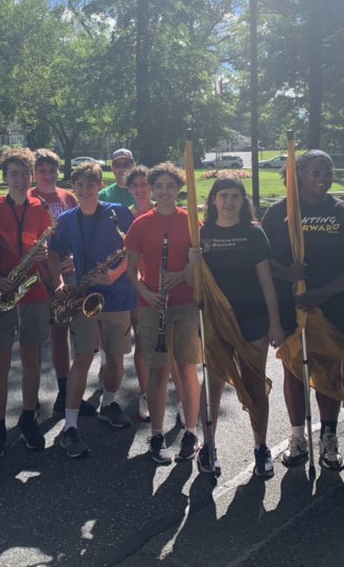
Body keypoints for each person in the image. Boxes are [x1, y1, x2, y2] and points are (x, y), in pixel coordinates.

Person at [261, 150, 344, 471]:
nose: (323, 176)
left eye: (328, 170)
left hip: (331, 307)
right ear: (300, 174)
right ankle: (297, 437)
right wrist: (286, 273)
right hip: (290, 305)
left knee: (330, 370)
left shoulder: (342, 212)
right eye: (315, 171)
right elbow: (261, 261)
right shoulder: (279, 212)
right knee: (294, 371)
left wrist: (323, 293)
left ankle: (329, 437)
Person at [48, 162, 137, 458]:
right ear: (74, 188)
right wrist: (59, 281)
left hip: (118, 295)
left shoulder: (118, 213)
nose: (85, 190)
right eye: (80, 185)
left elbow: (134, 249)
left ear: (100, 185)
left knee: (114, 358)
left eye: (91, 184)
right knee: (83, 357)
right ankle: (70, 427)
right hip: (84, 295)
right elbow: (54, 252)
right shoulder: (68, 219)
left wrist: (116, 273)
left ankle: (108, 403)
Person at [199, 175, 283, 478]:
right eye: (223, 196)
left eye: (235, 196)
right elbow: (190, 277)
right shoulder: (201, 234)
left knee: (254, 383)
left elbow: (266, 280)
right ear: (213, 200)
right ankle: (208, 446)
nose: (229, 202)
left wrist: (274, 322)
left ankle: (261, 447)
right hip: (215, 319)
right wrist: (191, 259)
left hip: (253, 318)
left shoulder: (253, 234)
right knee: (213, 383)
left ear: (242, 201)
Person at [0, 147, 55, 458]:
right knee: (1, 363)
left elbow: (46, 249)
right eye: (14, 174)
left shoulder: (41, 209)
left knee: (33, 360)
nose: (20, 179)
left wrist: (44, 258)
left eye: (25, 174)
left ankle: (28, 416)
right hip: (3, 291)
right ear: (4, 177)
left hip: (33, 292)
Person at [125, 163, 203, 465]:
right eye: (159, 186)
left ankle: (191, 431)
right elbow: (131, 269)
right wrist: (146, 293)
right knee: (158, 371)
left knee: (186, 369)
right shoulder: (142, 224)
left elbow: (199, 261)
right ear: (152, 189)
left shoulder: (192, 221)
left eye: (171, 186)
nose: (165, 191)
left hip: (185, 304)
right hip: (152, 304)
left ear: (179, 188)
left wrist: (183, 274)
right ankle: (157, 434)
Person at [28, 149, 93, 419]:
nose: (47, 175)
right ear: (35, 173)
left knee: (64, 332)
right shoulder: (30, 198)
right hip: (36, 276)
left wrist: (73, 263)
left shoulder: (68, 197)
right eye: (41, 170)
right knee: (39, 339)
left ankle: (65, 391)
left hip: (67, 275)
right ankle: (32, 398)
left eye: (51, 170)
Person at [123, 164, 153, 419]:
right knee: (142, 343)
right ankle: (145, 395)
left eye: (144, 183)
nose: (140, 189)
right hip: (134, 287)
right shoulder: (123, 215)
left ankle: (171, 393)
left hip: (162, 286)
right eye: (135, 185)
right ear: (128, 188)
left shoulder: (162, 210)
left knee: (169, 344)